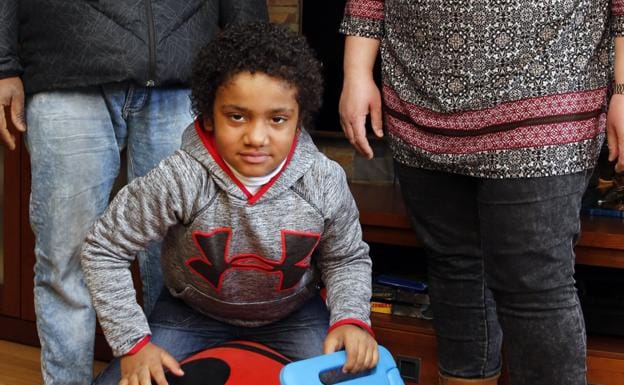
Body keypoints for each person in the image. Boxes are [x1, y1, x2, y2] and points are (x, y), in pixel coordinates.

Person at [339, 2, 624, 385]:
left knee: (533, 280)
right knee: (454, 268)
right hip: (419, 94)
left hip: (550, 86)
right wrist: (356, 71)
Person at [81, 22, 379, 385]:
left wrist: (351, 319)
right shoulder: (181, 178)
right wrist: (132, 344)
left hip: (293, 314)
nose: (255, 137)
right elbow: (104, 248)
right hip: (192, 313)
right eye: (237, 116)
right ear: (208, 115)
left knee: (357, 379)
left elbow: (346, 257)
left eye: (277, 119)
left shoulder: (323, 180)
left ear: (299, 119)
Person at [0, 2, 268, 384]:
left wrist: (252, 65)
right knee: (65, 260)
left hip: (182, 73)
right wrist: (3, 65)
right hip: (64, 70)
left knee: (179, 261)